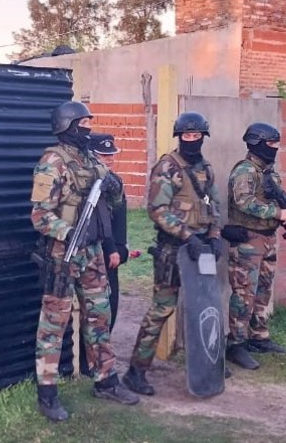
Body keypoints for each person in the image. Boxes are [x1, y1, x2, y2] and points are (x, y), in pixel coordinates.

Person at [29, 101, 139, 422]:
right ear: (68, 127)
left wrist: (114, 185)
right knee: (54, 325)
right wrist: (68, 232)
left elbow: (114, 199)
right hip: (63, 255)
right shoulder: (52, 162)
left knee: (99, 316)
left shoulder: (90, 160)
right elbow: (40, 216)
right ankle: (47, 393)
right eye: (83, 124)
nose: (88, 128)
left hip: (91, 253)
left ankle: (105, 380)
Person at [122, 111, 226, 396]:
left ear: (203, 137)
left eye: (196, 136)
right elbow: (157, 210)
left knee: (206, 306)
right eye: (186, 136)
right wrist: (187, 235)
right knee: (162, 310)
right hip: (174, 250)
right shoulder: (167, 167)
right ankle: (136, 371)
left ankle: (208, 362)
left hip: (201, 250)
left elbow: (214, 206)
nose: (191, 140)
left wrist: (215, 236)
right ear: (179, 137)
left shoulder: (205, 168)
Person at [222, 122, 286, 371]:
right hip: (248, 241)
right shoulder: (245, 172)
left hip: (267, 239)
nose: (275, 148)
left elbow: (278, 197)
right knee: (244, 293)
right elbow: (244, 202)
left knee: (263, 291)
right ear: (257, 143)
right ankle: (236, 344)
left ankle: (259, 336)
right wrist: (278, 213)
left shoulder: (269, 172)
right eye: (271, 144)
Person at [69, 132, 129, 377]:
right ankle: (85, 361)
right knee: (89, 310)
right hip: (95, 252)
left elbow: (119, 219)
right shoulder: (89, 185)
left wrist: (120, 248)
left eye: (112, 155)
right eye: (104, 155)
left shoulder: (113, 182)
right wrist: (111, 249)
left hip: (112, 254)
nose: (109, 160)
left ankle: (97, 360)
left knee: (109, 308)